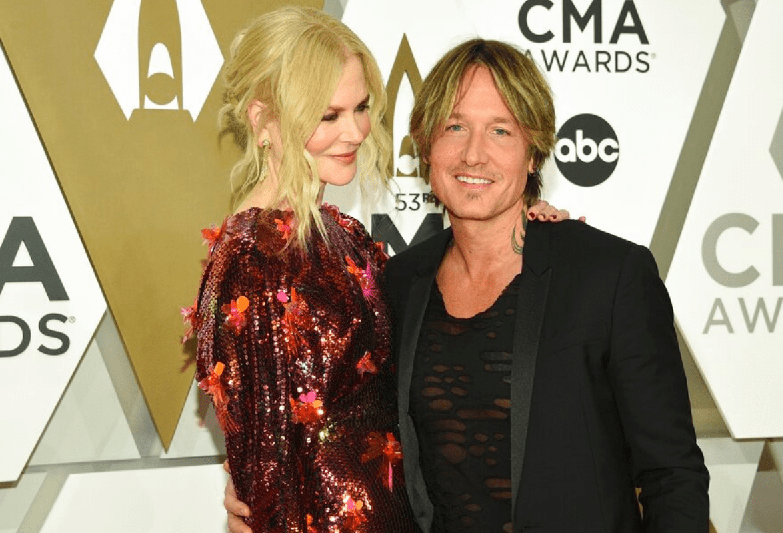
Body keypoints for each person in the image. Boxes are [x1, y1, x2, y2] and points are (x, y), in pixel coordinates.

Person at [226, 37, 709, 533]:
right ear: (425, 146)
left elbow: (673, 477)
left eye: (501, 130)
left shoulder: (608, 276)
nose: (474, 155)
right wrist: (258, 483)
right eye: (455, 127)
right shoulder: (398, 283)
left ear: (534, 152)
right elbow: (344, 423)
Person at [186, 9, 567, 533]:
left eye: (361, 108)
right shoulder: (257, 257)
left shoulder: (341, 234)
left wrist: (524, 224)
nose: (355, 132)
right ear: (262, 120)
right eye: (328, 116)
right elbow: (270, 465)